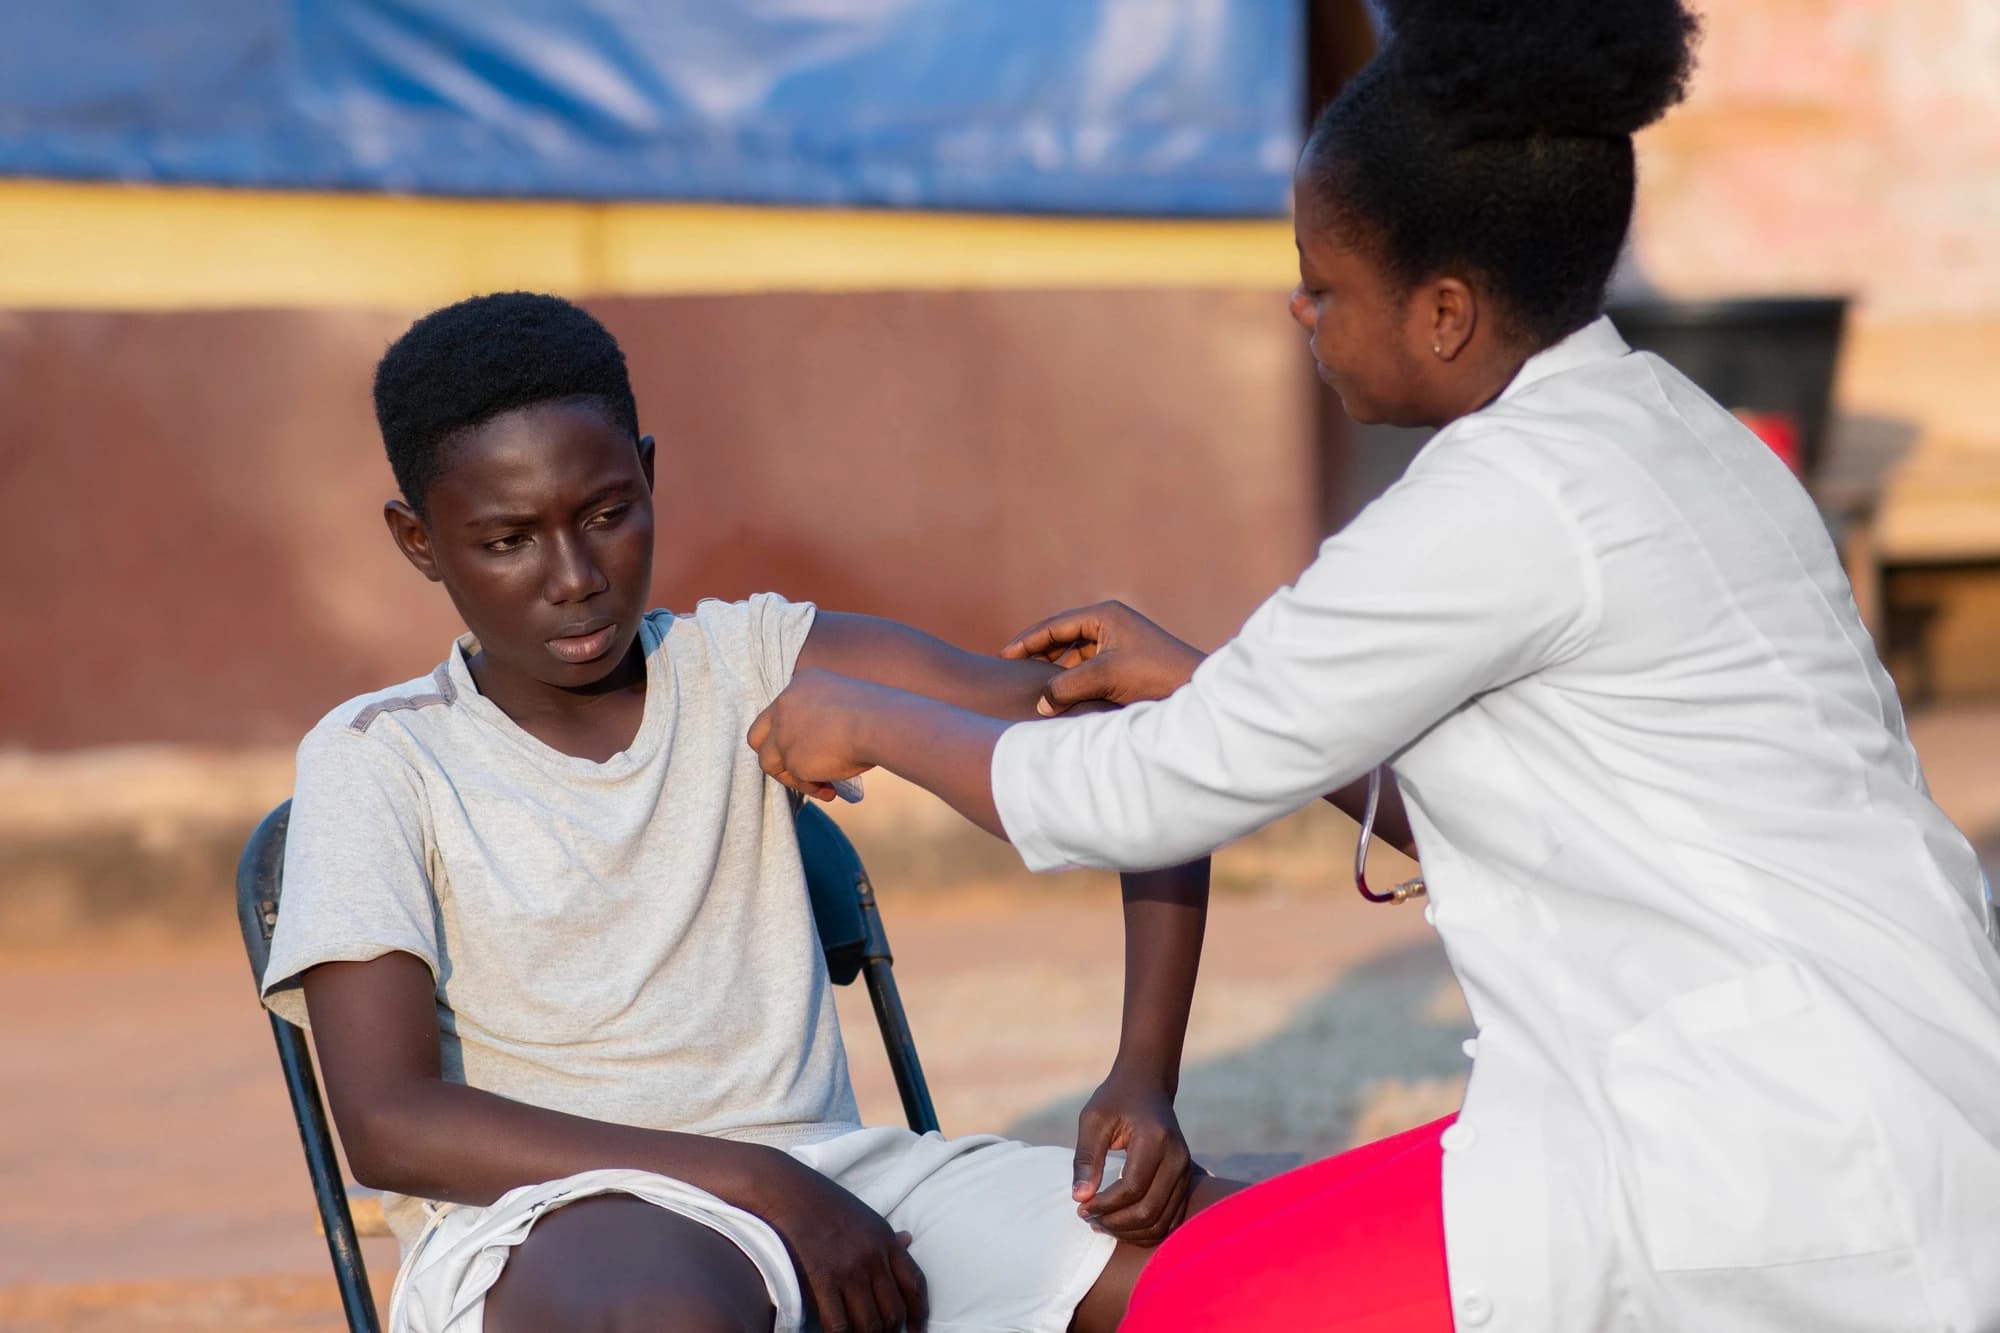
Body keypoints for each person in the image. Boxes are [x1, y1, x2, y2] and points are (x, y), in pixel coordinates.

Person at [746, 1, 2000, 1328]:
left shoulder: (1494, 504)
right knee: (1245, 1243)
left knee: (1201, 1301)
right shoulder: (1670, 433)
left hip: (1762, 1159)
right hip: (1890, 1089)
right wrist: (1210, 686)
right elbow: (1523, 825)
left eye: (1325, 281)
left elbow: (1140, 799)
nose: (1299, 307)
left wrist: (869, 718)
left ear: (1446, 311)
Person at [258, 291, 1240, 1333]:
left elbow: (1132, 734)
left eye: (605, 514)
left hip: (834, 1178)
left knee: (1252, 1251)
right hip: (552, 1220)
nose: (576, 578)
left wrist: (1143, 1074)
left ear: (647, 473)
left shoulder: (751, 660)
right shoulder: (380, 758)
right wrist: (756, 1185)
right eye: (507, 540)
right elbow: (387, 1122)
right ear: (419, 541)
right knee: (665, 1307)